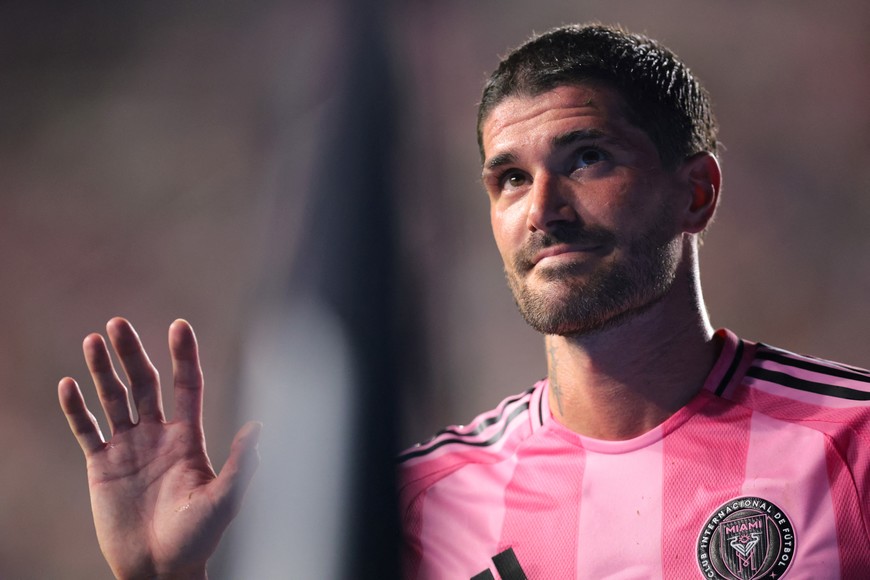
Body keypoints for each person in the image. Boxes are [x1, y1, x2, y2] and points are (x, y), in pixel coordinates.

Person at [59, 23, 869, 579]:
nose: (542, 209)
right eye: (510, 178)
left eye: (586, 158)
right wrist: (166, 576)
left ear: (696, 192)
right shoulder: (418, 500)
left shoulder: (852, 447)